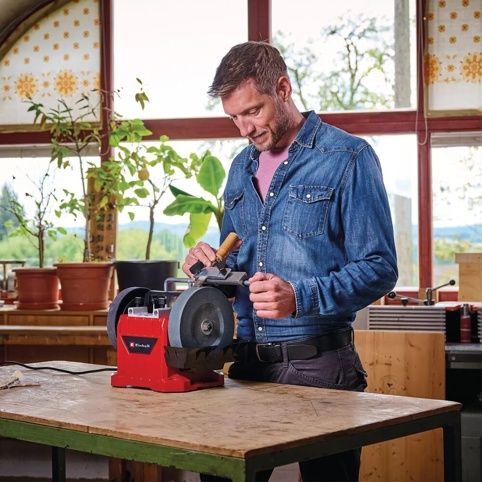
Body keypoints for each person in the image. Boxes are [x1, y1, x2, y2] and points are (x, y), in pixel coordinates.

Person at [182, 41, 398, 482]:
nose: (244, 129)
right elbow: (235, 269)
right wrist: (206, 270)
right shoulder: (239, 169)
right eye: (234, 118)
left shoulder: (349, 158)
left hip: (321, 369)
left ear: (283, 89)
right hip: (246, 366)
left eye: (253, 111)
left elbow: (380, 267)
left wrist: (299, 297)